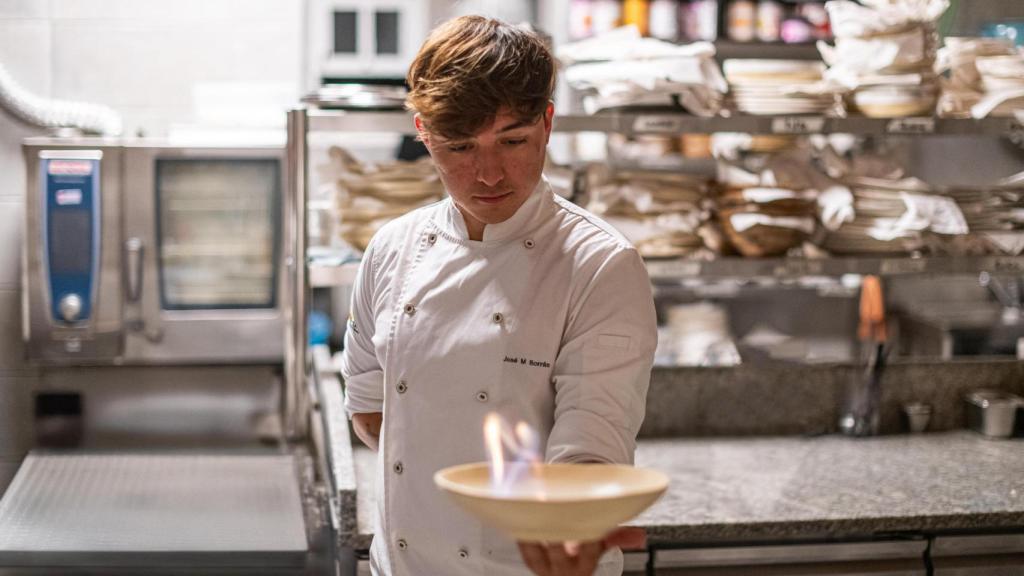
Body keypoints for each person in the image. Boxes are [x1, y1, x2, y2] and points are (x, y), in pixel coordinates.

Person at [341, 15, 657, 576]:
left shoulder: (600, 264)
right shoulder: (392, 249)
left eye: (513, 141)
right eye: (460, 147)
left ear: (548, 124)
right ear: (423, 134)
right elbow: (369, 409)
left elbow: (594, 442)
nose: (488, 172)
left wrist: (573, 520)